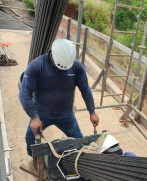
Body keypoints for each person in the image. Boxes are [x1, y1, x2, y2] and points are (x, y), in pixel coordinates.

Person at [19, 39, 99, 168]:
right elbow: (24, 93)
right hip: (42, 116)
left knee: (78, 141)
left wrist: (92, 112)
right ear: (52, 55)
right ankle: (35, 161)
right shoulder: (36, 66)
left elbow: (85, 89)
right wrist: (34, 117)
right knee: (30, 139)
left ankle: (78, 164)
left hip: (66, 116)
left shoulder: (76, 67)